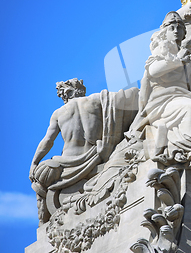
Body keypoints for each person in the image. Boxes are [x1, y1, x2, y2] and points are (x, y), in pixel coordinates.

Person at [29, 78, 138, 224]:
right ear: (80, 90)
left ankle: (44, 224)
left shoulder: (58, 113)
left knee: (41, 176)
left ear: (66, 94)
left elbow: (48, 141)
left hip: (66, 164)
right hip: (95, 156)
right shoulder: (97, 99)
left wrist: (34, 163)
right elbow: (126, 99)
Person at [128, 11, 191, 168]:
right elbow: (153, 71)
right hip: (161, 101)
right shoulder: (161, 51)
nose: (176, 31)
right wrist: (178, 61)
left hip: (183, 96)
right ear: (164, 31)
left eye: (179, 28)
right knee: (190, 107)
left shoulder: (185, 55)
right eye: (172, 28)